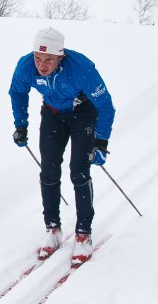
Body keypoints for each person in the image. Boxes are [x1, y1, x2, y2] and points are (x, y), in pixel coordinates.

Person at [9, 26, 115, 262]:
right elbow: (17, 92)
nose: (42, 65)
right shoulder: (25, 66)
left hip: (83, 113)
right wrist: (21, 125)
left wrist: (101, 142)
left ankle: (83, 234)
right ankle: (53, 229)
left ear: (61, 56)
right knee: (48, 171)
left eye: (49, 59)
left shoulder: (81, 68)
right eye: (38, 57)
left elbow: (106, 106)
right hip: (53, 113)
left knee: (79, 171)